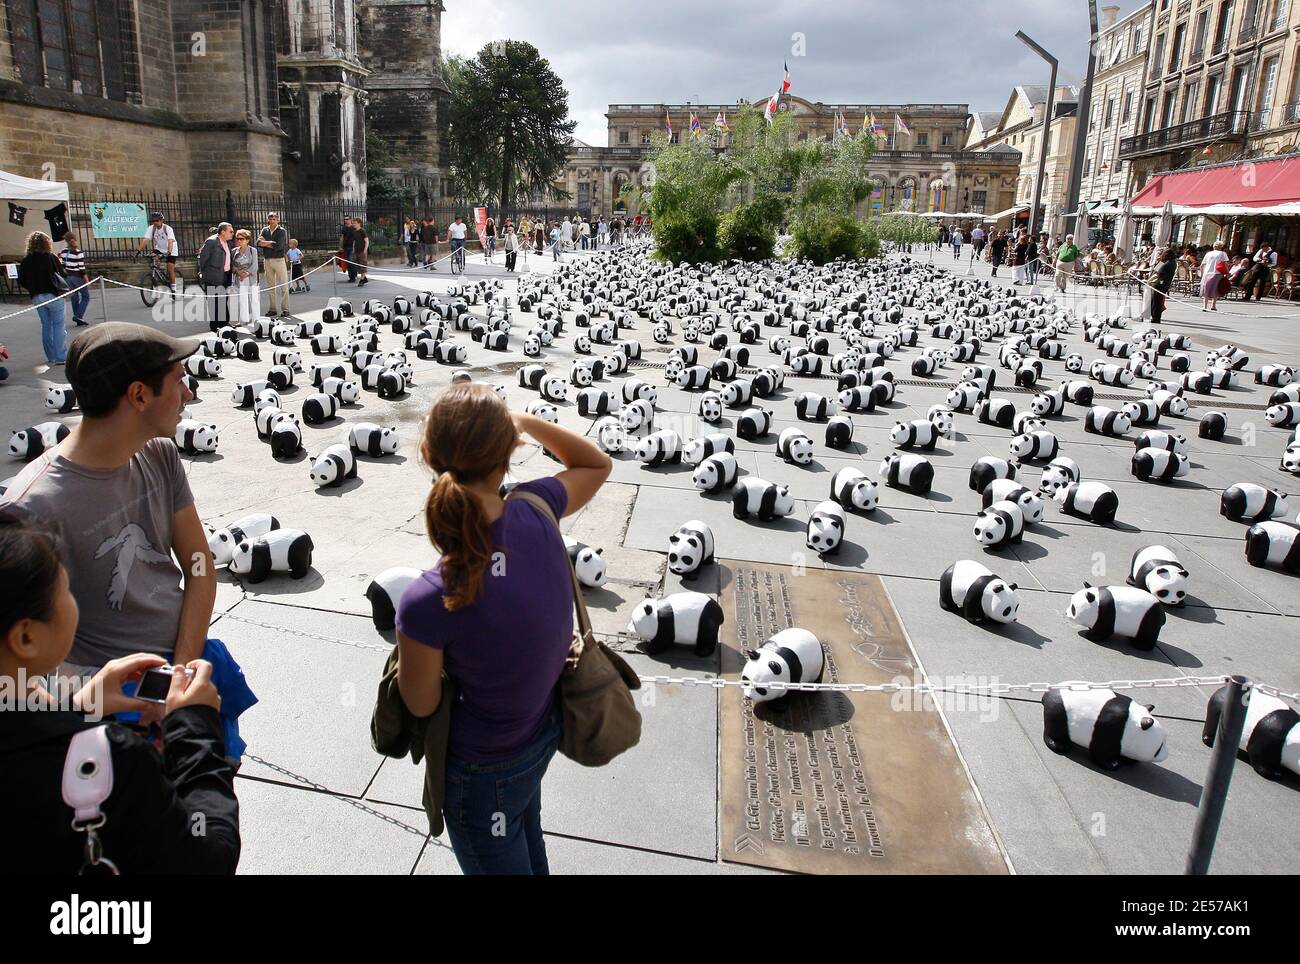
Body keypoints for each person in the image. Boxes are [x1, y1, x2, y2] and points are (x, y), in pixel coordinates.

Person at [395, 383, 611, 874]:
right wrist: (526, 422)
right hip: (540, 736)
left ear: (428, 457)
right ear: (508, 455)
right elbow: (597, 464)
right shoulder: (539, 507)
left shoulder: (427, 599)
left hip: (482, 768)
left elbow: (422, 703)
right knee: (528, 842)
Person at [0, 508, 241, 875]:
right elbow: (210, 857)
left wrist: (79, 707)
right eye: (65, 589)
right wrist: (196, 731)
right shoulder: (113, 764)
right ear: (26, 637)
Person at [0, 322, 216, 675]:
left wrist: (181, 670)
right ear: (139, 396)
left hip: (186, 662)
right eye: (178, 380)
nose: (188, 394)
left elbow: (199, 565)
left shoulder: (161, 455)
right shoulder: (30, 507)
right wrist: (93, 699)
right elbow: (17, 666)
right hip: (106, 699)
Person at [18, 231, 68, 366]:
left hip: (36, 296)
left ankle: (51, 356)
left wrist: (32, 288)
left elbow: (21, 280)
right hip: (53, 294)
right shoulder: (50, 257)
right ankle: (61, 356)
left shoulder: (26, 260)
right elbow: (62, 273)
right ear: (47, 243)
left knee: (46, 325)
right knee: (58, 325)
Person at [197, 223, 233, 331]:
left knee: (223, 299)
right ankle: (215, 325)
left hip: (224, 276)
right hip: (212, 276)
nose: (232, 233)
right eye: (230, 231)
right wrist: (205, 273)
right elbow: (203, 259)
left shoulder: (227, 242)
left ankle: (224, 323)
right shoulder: (211, 242)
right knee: (214, 301)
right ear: (223, 232)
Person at [256, 212, 290, 318]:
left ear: (278, 220)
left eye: (274, 218)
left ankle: (285, 309)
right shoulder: (264, 230)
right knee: (271, 286)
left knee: (283, 285)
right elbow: (258, 243)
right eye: (270, 218)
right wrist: (269, 243)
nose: (272, 220)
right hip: (267, 260)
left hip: (279, 260)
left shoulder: (282, 231)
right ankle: (273, 309)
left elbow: (279, 246)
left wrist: (264, 243)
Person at [138, 213, 178, 291]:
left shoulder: (168, 228)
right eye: (153, 221)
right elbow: (146, 240)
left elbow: (170, 241)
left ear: (162, 220)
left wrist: (169, 252)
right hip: (159, 248)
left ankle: (174, 289)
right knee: (152, 257)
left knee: (170, 269)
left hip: (171, 249)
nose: (155, 222)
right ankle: (159, 274)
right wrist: (138, 251)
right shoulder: (151, 228)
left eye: (157, 220)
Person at [59, 232, 90, 328]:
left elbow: (62, 265)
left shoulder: (63, 252)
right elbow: (81, 268)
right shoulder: (78, 252)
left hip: (68, 277)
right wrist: (86, 279)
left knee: (74, 297)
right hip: (77, 277)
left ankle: (78, 318)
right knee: (86, 296)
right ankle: (78, 315)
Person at [229, 229, 259, 323]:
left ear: (247, 240)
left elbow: (255, 266)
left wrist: (245, 274)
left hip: (251, 278)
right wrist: (238, 272)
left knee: (254, 300)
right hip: (239, 278)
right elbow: (232, 265)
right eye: (237, 238)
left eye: (241, 239)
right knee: (242, 300)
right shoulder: (234, 251)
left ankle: (256, 319)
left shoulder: (252, 250)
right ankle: (244, 320)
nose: (238, 241)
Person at [1200, 240, 1230, 311]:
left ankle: (1205, 306)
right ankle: (1213, 305)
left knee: (1206, 289)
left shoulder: (1208, 254)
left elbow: (1202, 265)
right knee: (1216, 289)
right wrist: (1227, 272)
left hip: (1207, 273)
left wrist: (1202, 274)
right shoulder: (1223, 254)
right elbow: (1225, 264)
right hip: (1218, 273)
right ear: (1221, 247)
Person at [1150, 247, 1177, 324]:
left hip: (1160, 284)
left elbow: (1157, 273)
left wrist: (1149, 281)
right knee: (1156, 301)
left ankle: (1155, 317)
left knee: (1157, 301)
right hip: (1164, 284)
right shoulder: (1171, 262)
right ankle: (1154, 316)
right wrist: (1158, 261)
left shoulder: (1167, 263)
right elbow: (1155, 270)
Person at [351, 217, 369, 287]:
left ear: (359, 223)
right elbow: (354, 241)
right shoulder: (354, 232)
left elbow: (367, 241)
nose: (353, 225)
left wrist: (365, 250)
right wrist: (353, 249)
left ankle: (362, 279)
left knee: (362, 265)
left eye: (355, 223)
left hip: (362, 251)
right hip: (357, 251)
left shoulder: (362, 231)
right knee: (357, 265)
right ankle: (364, 278)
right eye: (353, 223)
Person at [339, 217, 358, 283]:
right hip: (345, 247)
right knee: (348, 262)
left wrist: (354, 248)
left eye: (347, 219)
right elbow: (342, 238)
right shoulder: (344, 228)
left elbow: (355, 239)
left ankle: (354, 274)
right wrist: (340, 247)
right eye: (344, 219)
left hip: (351, 247)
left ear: (350, 220)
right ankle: (351, 277)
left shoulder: (353, 228)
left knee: (350, 261)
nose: (345, 220)